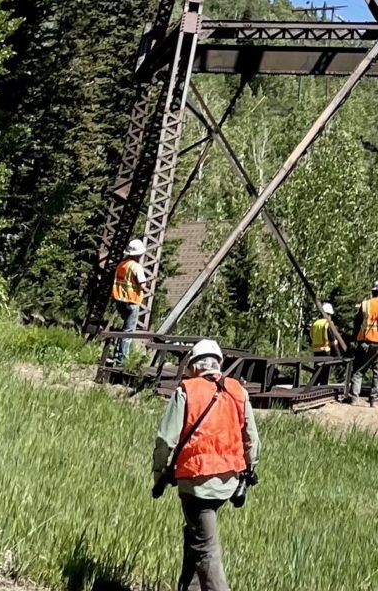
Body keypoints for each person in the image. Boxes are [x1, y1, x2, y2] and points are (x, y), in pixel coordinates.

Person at [153, 338, 260, 591]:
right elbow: (252, 439)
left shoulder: (186, 391)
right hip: (228, 482)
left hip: (197, 484)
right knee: (197, 537)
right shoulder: (237, 391)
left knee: (206, 549)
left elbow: (165, 440)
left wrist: (159, 473)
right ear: (218, 364)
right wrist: (249, 469)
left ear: (193, 366)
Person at [109, 239, 151, 365]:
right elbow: (142, 285)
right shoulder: (136, 266)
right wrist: (147, 289)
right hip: (132, 301)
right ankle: (123, 359)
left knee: (124, 329)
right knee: (128, 332)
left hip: (120, 300)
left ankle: (117, 355)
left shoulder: (122, 265)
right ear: (138, 254)